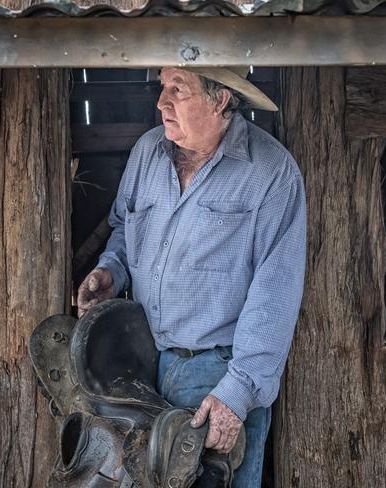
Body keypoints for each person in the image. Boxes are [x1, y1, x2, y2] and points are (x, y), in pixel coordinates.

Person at [77, 66, 306, 487]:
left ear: (221, 100)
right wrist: (112, 269)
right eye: (162, 87)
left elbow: (276, 293)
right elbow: (126, 226)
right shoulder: (148, 151)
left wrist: (235, 397)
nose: (161, 102)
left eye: (178, 90)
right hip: (143, 365)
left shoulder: (271, 173)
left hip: (217, 374)